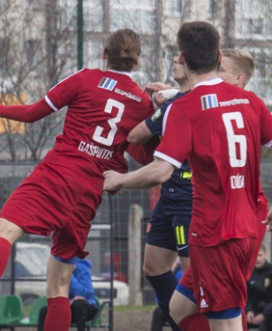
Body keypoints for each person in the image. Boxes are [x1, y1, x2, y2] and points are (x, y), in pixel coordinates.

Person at [0, 28, 156, 331]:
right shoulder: (142, 103)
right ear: (137, 60)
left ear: (105, 53)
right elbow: (143, 155)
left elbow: (34, 112)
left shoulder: (85, 78)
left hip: (58, 175)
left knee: (0, 232)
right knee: (59, 284)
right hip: (90, 193)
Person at [103, 21, 272, 331]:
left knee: (226, 323)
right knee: (180, 308)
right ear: (218, 56)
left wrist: (119, 180)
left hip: (217, 234)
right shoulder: (249, 100)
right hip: (247, 226)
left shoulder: (186, 108)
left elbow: (160, 171)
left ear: (182, 57)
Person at [128, 54, 193, 331]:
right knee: (153, 267)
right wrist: (167, 95)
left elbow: (134, 136)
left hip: (188, 199)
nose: (174, 61)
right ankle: (183, 324)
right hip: (169, 195)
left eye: (180, 58)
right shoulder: (176, 100)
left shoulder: (179, 105)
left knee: (195, 278)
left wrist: (120, 178)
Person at [37, 258, 98, 331]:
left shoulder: (84, 271)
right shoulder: (59, 271)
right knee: (44, 311)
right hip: (69, 305)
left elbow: (81, 293)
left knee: (79, 304)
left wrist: (69, 275)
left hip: (87, 307)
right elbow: (57, 291)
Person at [245, 245, 272, 331]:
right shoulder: (250, 273)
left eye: (259, 255)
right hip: (254, 311)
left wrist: (264, 314)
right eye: (254, 256)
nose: (257, 259)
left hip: (268, 311)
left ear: (265, 255)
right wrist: (249, 311)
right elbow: (248, 297)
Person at [150, 261, 183, 331]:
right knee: (158, 313)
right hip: (169, 306)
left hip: (182, 307)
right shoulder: (161, 275)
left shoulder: (180, 274)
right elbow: (157, 296)